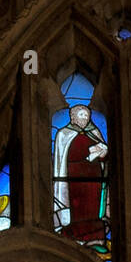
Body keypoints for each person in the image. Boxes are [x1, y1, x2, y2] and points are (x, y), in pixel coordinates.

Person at [52, 105, 108, 244]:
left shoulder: (93, 132)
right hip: (74, 176)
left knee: (93, 207)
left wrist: (103, 152)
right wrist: (87, 153)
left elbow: (105, 157)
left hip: (94, 176)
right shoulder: (64, 134)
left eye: (86, 116)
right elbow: (64, 157)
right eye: (82, 115)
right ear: (73, 117)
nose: (85, 119)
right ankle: (77, 236)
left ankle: (95, 238)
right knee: (78, 208)